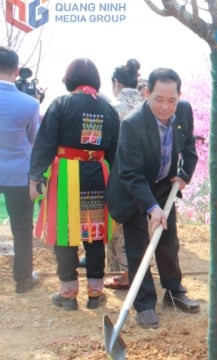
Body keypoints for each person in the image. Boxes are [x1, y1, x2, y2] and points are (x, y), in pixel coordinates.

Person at [105, 68, 199, 329]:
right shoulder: (133, 124)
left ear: (179, 96)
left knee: (168, 240)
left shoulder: (184, 111)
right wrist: (151, 207)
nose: (165, 106)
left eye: (171, 100)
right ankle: (145, 303)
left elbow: (189, 148)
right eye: (158, 99)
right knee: (139, 245)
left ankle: (173, 290)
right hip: (133, 188)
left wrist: (184, 175)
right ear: (147, 93)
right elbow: (131, 173)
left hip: (163, 184)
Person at [29, 58, 120, 310]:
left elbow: (45, 143)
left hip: (66, 175)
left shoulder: (61, 103)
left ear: (70, 79)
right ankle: (95, 292)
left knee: (65, 231)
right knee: (94, 234)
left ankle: (68, 293)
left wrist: (35, 177)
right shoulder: (108, 108)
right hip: (97, 175)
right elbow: (115, 152)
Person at [0, 46, 40, 294]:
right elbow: (34, 140)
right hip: (17, 174)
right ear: (17, 71)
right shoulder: (29, 103)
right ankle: (23, 279)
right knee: (22, 226)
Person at [104, 59, 145, 291]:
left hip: (119, 173)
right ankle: (140, 270)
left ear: (116, 83)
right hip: (147, 175)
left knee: (120, 225)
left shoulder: (113, 108)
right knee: (143, 223)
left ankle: (126, 273)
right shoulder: (148, 105)